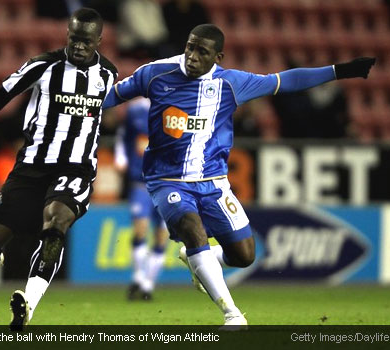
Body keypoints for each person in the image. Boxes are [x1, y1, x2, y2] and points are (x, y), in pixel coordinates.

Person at [103, 23, 375, 328]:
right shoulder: (155, 73)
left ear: (218, 56)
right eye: (190, 46)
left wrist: (340, 71)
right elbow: (111, 97)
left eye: (201, 52)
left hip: (214, 183)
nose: (191, 56)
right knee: (193, 229)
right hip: (167, 179)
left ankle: (198, 260)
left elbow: (285, 81)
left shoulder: (232, 83)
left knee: (244, 255)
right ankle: (232, 314)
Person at [0, 8, 117, 330]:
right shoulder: (44, 66)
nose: (79, 46)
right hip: (32, 165)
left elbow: (106, 115)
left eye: (87, 41)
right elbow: (1, 95)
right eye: (74, 39)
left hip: (76, 169)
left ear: (99, 40)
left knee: (55, 225)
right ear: (67, 35)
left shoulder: (109, 75)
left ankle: (28, 303)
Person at [114, 97, 168, 301]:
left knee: (162, 236)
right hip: (141, 181)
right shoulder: (136, 109)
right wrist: (121, 157)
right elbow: (123, 134)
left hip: (166, 183)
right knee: (140, 229)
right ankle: (138, 277)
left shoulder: (175, 105)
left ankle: (148, 285)